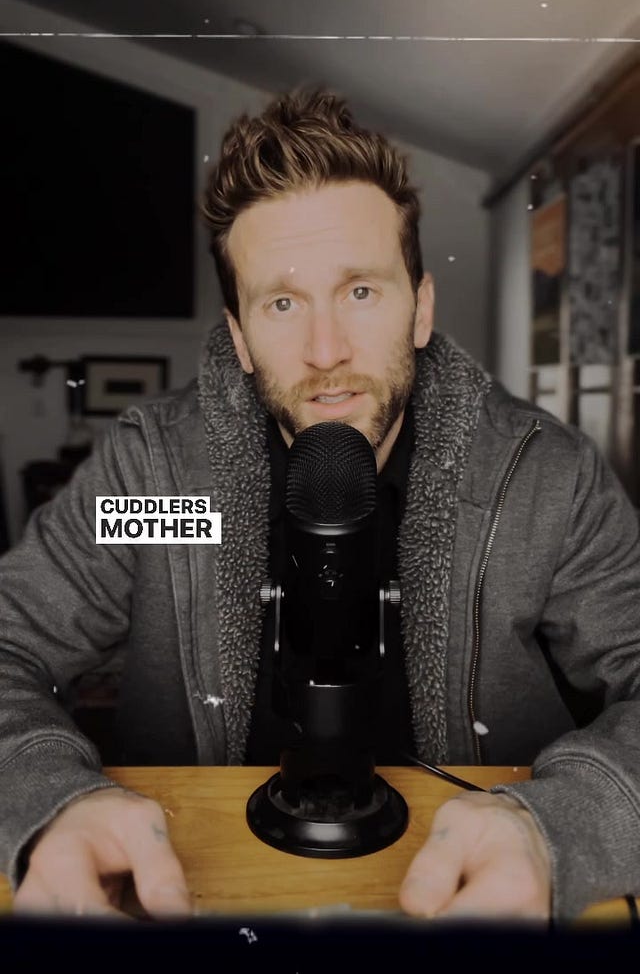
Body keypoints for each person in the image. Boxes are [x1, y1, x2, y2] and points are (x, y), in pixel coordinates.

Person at [1, 88, 639, 923]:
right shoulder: (154, 482)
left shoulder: (548, 479)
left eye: (361, 292)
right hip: (196, 890)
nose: (326, 351)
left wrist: (558, 828)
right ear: (238, 335)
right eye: (282, 303)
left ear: (422, 307)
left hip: (475, 896)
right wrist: (52, 798)